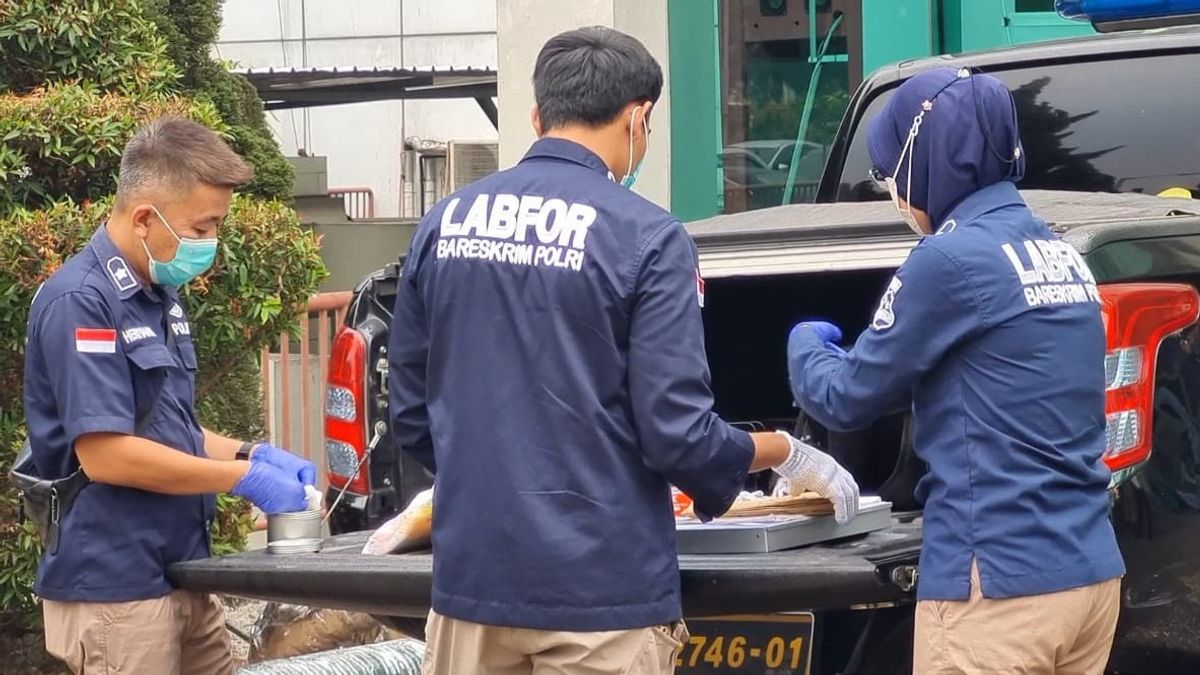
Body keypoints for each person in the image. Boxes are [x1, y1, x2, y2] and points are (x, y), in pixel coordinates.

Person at [387, 26, 860, 675]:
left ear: (536, 116)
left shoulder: (445, 222)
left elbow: (412, 414)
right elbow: (678, 436)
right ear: (638, 117)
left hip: (473, 590)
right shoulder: (648, 238)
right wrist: (785, 449)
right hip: (601, 601)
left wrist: (496, 485)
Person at [787, 68, 1125, 674]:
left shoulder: (948, 258)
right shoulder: (1062, 255)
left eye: (891, 171)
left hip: (997, 583)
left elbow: (845, 398)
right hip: (1088, 576)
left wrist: (802, 341)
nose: (891, 187)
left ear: (925, 161)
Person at [22, 117, 316, 674]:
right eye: (202, 228)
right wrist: (240, 481)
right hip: (117, 588)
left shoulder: (158, 293)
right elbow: (105, 453)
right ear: (142, 219)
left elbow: (168, 428)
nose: (209, 243)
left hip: (182, 570)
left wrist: (248, 454)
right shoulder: (81, 303)